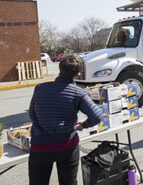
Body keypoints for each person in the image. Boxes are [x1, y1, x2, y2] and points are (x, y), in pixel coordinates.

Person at [28, 55, 102, 185]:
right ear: (78, 74)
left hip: (40, 146)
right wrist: (83, 125)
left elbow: (32, 114)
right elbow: (96, 116)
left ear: (60, 69)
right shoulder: (78, 92)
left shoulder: (40, 88)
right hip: (67, 146)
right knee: (69, 182)